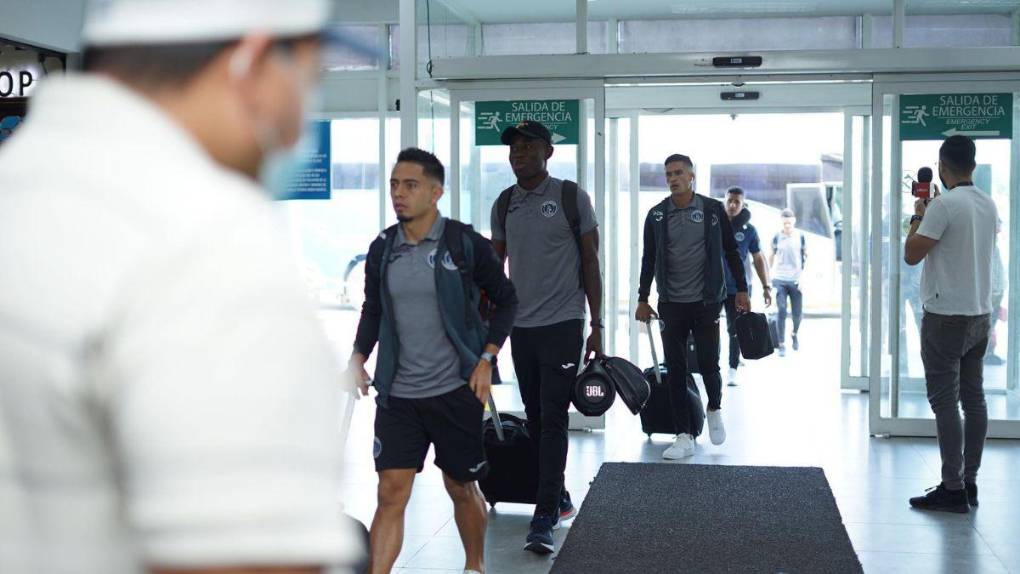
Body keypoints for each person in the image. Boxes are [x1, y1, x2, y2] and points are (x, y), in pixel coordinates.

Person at [0, 1, 364, 573]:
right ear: (251, 64)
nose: (299, 123)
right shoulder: (208, 245)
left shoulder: (19, 184)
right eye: (309, 82)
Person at [347, 148, 517, 573]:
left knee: (461, 487)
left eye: (410, 185)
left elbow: (507, 300)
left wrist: (486, 359)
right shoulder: (383, 248)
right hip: (398, 395)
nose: (398, 194)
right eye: (394, 184)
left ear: (436, 192)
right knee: (390, 493)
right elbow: (373, 309)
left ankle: (474, 565)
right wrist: (358, 357)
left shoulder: (463, 244)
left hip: (454, 390)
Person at [490, 120, 602, 555]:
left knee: (553, 416)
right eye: (513, 148)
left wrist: (597, 326)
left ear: (547, 152)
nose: (518, 153)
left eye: (527, 146)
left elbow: (590, 263)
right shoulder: (504, 204)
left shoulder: (571, 197)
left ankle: (544, 516)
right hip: (522, 325)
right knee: (536, 417)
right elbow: (494, 269)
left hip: (563, 322)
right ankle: (558, 494)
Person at [904, 135, 998, 513]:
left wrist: (917, 214)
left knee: (945, 402)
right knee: (974, 399)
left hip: (945, 317)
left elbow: (912, 254)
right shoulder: (987, 204)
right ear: (972, 165)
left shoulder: (943, 206)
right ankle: (969, 482)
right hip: (979, 312)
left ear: (942, 167)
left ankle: (952, 487)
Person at [636, 154, 749, 459]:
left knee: (710, 364)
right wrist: (642, 298)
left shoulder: (712, 210)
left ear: (691, 176)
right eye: (668, 174)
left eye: (678, 173)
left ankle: (714, 407)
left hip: (706, 301)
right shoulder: (657, 214)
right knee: (675, 370)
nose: (672, 179)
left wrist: (742, 289)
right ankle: (683, 434)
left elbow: (730, 251)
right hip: (671, 303)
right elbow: (648, 259)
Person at [721, 186, 772, 386]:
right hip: (714, 288)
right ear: (725, 201)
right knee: (708, 327)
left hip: (738, 289)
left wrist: (766, 286)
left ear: (743, 205)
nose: (733, 205)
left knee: (736, 328)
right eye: (730, 200)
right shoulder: (715, 224)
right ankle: (708, 366)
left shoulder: (749, 230)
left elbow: (758, 258)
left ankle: (733, 368)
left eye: (737, 202)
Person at [770, 209, 807, 357]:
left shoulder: (800, 236)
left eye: (789, 222)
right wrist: (769, 276)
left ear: (794, 221)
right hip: (779, 279)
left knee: (797, 314)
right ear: (781, 221)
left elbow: (806, 256)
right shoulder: (777, 237)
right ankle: (781, 344)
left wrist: (804, 277)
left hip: (796, 280)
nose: (787, 225)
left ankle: (794, 333)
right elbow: (771, 256)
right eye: (784, 222)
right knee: (782, 311)